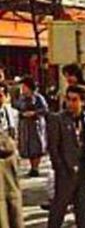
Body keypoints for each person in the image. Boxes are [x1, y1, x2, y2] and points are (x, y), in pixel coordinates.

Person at [47, 85, 85, 228]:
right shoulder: (57, 119)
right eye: (68, 99)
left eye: (74, 100)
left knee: (84, 210)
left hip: (84, 170)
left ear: (82, 101)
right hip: (66, 171)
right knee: (58, 210)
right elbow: (53, 148)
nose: (70, 103)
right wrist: (60, 168)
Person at [0, 82, 24, 228]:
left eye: (1, 95)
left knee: (13, 200)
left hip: (11, 161)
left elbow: (15, 135)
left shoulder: (12, 113)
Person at [15, 77, 48, 177]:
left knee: (36, 146)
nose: (23, 89)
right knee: (27, 146)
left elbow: (45, 109)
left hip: (35, 125)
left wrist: (34, 113)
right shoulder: (21, 97)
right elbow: (17, 107)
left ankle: (35, 167)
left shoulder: (38, 97)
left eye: (24, 86)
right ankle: (31, 166)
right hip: (25, 125)